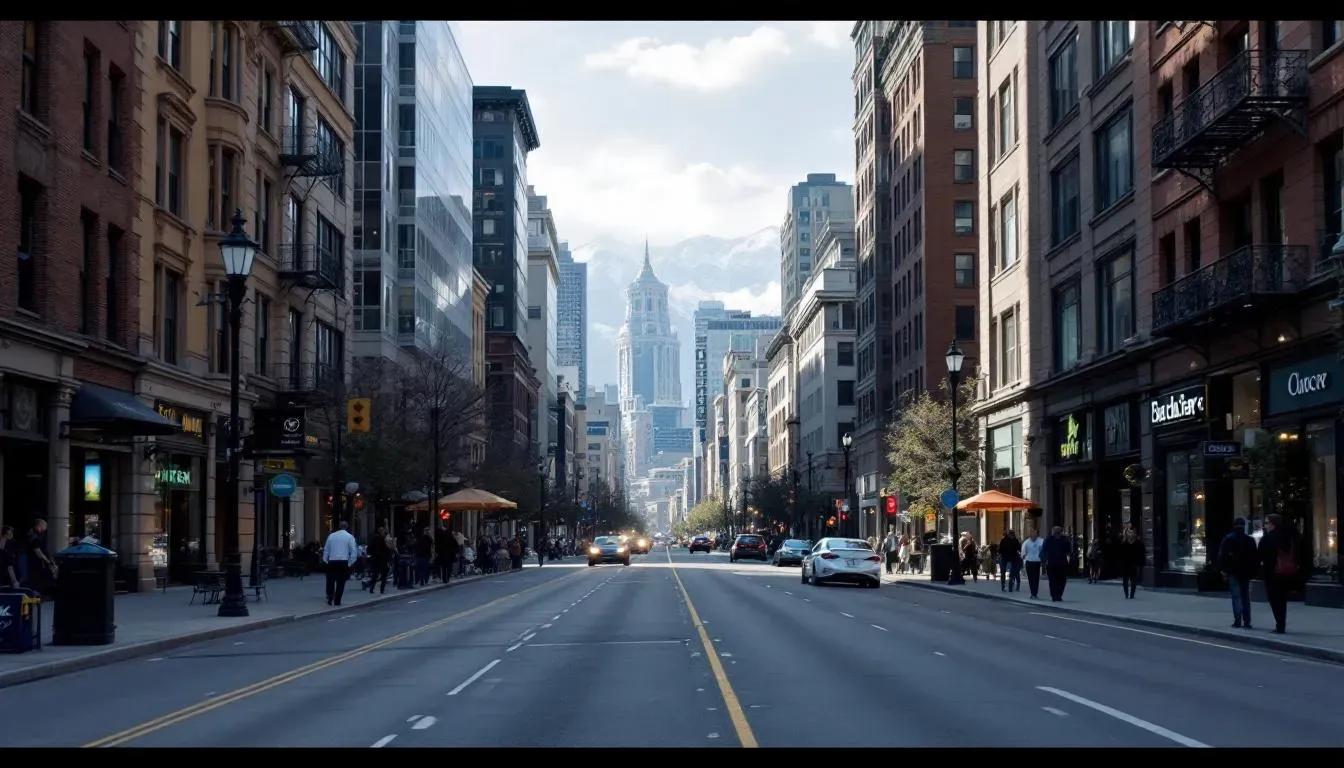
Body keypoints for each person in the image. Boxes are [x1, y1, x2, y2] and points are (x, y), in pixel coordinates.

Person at [1258, 513, 1297, 634]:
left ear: (1272, 524)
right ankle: (1282, 623)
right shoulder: (1288, 537)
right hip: (1286, 572)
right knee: (1282, 599)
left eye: (1266, 523)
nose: (1265, 526)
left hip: (1272, 572)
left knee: (1274, 599)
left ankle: (1279, 624)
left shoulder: (1268, 538)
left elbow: (1260, 555)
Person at [1217, 517, 1257, 626]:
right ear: (1244, 526)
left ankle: (1238, 619)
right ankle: (1247, 620)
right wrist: (1253, 572)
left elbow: (1222, 556)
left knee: (1236, 595)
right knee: (1245, 596)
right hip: (1245, 572)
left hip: (1232, 571)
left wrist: (1222, 570)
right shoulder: (1249, 540)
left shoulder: (1228, 539)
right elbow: (1254, 558)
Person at [322, 521, 359, 606]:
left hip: (332, 560)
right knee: (341, 582)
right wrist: (350, 563)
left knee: (330, 580)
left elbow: (326, 549)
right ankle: (337, 600)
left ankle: (330, 596)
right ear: (347, 527)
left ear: (339, 526)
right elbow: (353, 551)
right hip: (343, 561)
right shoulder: (349, 537)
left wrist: (325, 560)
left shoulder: (331, 536)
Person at [1041, 525, 1072, 602]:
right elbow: (1068, 551)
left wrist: (1044, 563)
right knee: (1059, 580)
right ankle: (1057, 595)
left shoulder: (1049, 539)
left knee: (1054, 581)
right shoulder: (1063, 539)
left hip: (1054, 563)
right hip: (1059, 563)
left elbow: (1044, 551)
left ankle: (1055, 595)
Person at [1117, 527, 1146, 599]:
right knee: (1125, 580)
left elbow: (1142, 554)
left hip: (1134, 564)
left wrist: (1141, 564)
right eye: (1129, 532)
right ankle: (1126, 594)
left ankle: (1132, 595)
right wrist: (1120, 565)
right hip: (1125, 564)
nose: (1130, 534)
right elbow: (1119, 555)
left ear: (1134, 533)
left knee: (1134, 580)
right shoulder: (1123, 543)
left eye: (1132, 532)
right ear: (1126, 533)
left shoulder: (1139, 543)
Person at [365, 525, 392, 594]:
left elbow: (370, 548)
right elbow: (389, 549)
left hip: (379, 558)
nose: (382, 532)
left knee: (378, 574)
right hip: (380, 558)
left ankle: (376, 588)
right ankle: (378, 588)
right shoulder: (384, 539)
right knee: (380, 574)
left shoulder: (378, 538)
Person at [1021, 529, 1044, 598]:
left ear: (1037, 534)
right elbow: (1023, 552)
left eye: (1035, 533)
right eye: (1032, 533)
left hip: (1037, 561)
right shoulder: (1027, 542)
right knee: (1030, 578)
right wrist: (1023, 559)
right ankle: (1032, 593)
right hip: (1029, 561)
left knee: (1036, 578)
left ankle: (1035, 593)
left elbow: (1044, 551)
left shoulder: (1041, 541)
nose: (1033, 534)